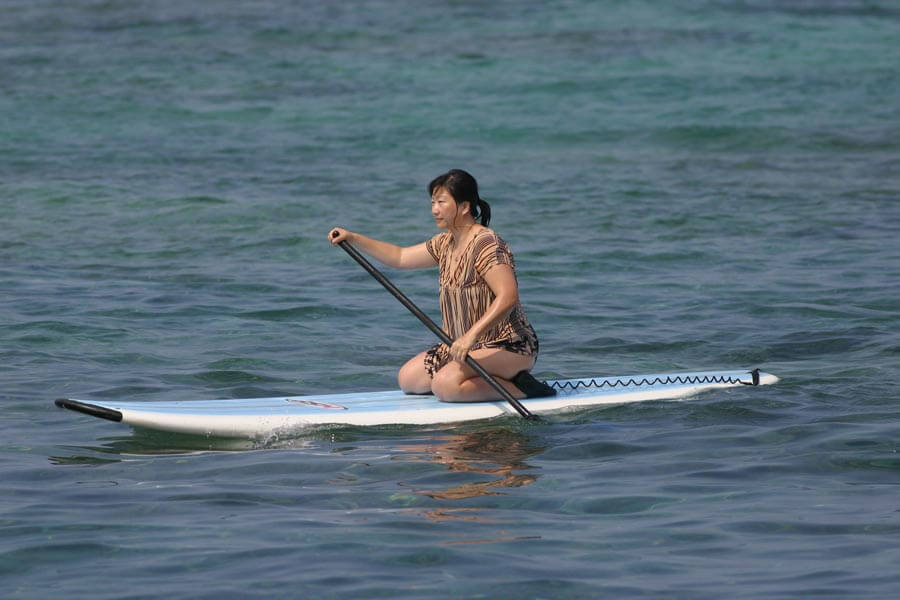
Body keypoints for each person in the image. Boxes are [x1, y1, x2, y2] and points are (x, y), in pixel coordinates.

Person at [328, 169, 554, 403]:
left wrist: (470, 336)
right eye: (433, 202)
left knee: (445, 386)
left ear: (464, 207)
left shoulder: (486, 243)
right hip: (461, 346)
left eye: (441, 202)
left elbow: (508, 297)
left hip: (508, 345)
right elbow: (400, 257)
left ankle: (524, 389)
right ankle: (485, 381)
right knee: (409, 380)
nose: (434, 209)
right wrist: (353, 238)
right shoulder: (445, 243)